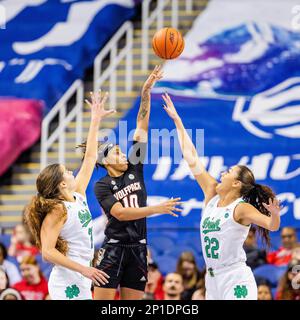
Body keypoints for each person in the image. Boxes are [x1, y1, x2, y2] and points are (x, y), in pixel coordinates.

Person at [162, 93, 280, 300]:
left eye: (229, 172)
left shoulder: (240, 207)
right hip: (212, 277)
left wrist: (274, 214)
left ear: (236, 184)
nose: (223, 173)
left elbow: (271, 226)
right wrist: (177, 121)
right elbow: (191, 157)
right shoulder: (211, 193)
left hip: (235, 276)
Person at [89, 66, 182, 300]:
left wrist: (146, 91)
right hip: (113, 248)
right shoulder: (102, 185)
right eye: (117, 152)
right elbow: (120, 214)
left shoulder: (135, 168)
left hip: (139, 248)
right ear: (105, 161)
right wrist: (155, 209)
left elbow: (141, 126)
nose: (123, 155)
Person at [24, 91, 112, 300]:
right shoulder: (57, 209)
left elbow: (90, 157)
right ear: (62, 183)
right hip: (67, 280)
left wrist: (95, 120)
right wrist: (84, 269)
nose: (72, 172)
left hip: (80, 277)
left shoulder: (78, 196)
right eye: (67, 171)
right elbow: (47, 252)